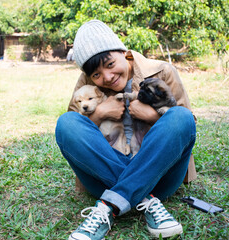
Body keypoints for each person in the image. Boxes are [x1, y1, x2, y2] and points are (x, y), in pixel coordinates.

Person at [55, 20, 197, 239]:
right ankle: (146, 200)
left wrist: (152, 115)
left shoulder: (162, 70)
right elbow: (78, 130)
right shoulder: (87, 82)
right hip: (102, 176)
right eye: (97, 75)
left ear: (125, 53)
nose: (107, 77)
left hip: (161, 175)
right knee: (66, 123)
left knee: (181, 116)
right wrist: (101, 112)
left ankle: (110, 203)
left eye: (110, 64)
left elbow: (185, 127)